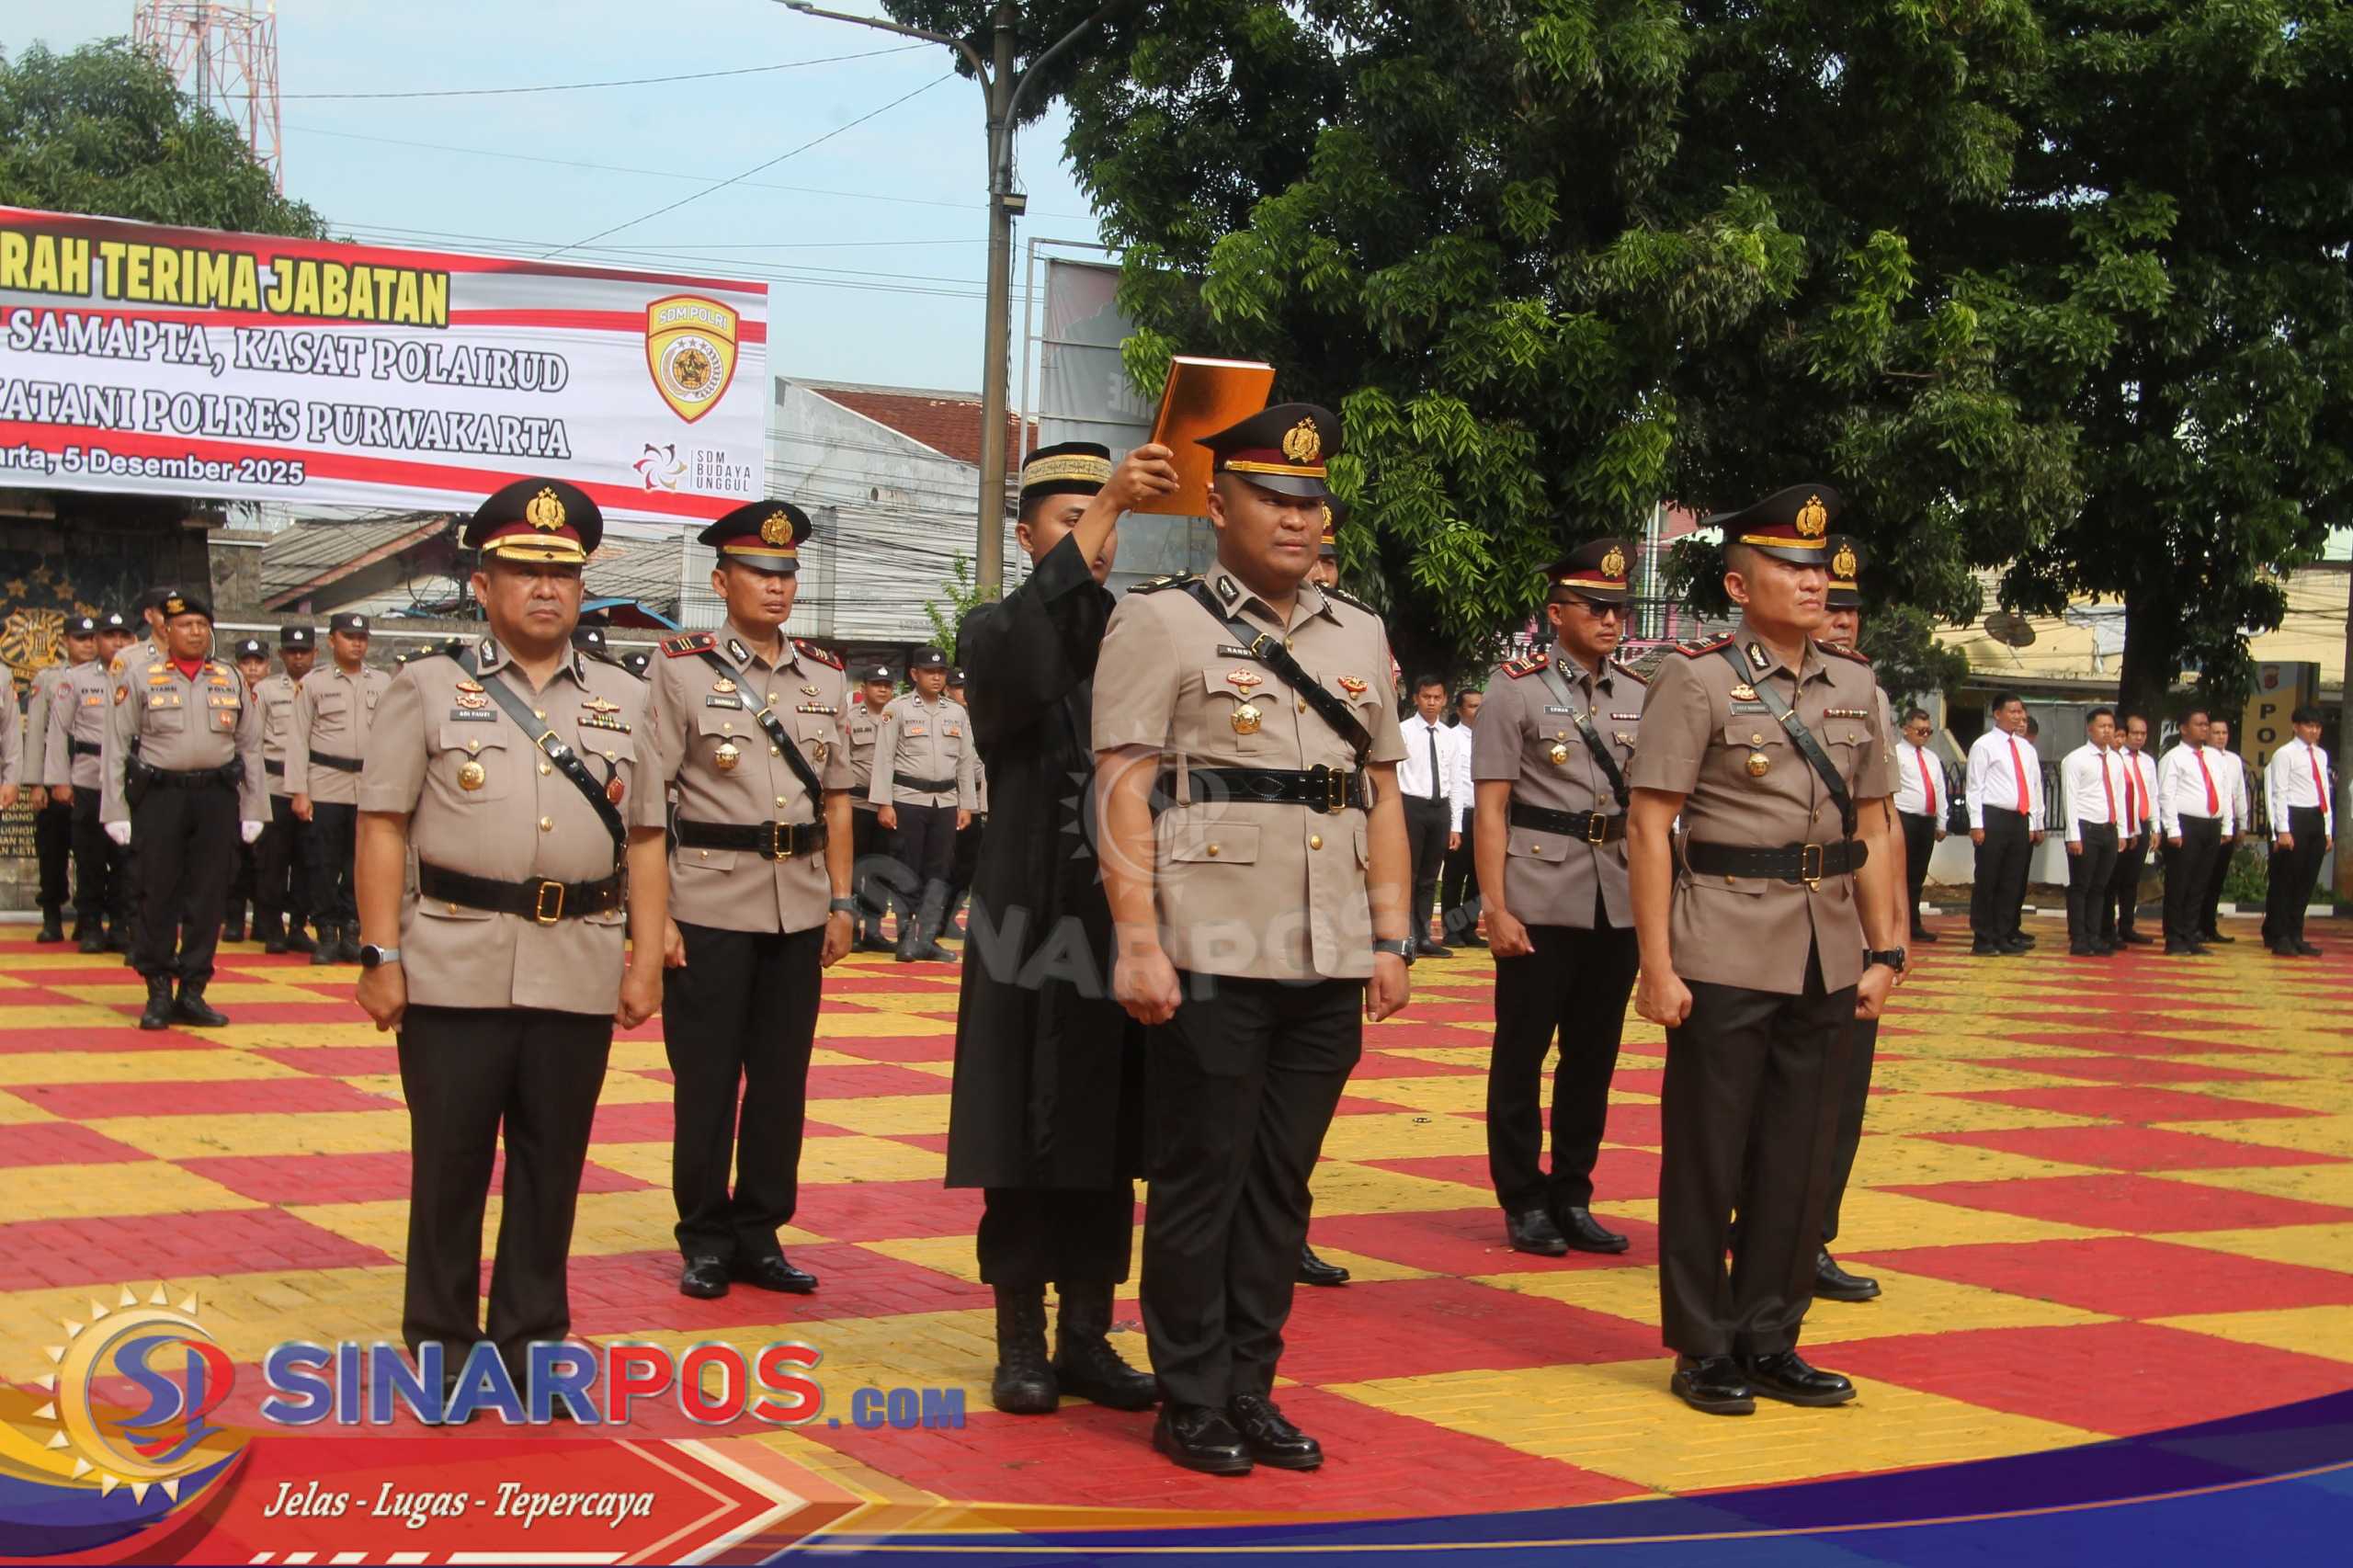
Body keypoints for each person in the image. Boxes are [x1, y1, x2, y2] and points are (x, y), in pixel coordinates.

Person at [1095, 401, 1413, 1475]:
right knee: (1202, 1176)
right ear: (1217, 501)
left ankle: (1250, 1384)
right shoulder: (1161, 619)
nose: (1295, 519)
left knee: (1282, 1183)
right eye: (1272, 497)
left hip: (1325, 952)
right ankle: (1189, 1393)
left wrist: (1392, 934)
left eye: (1310, 503)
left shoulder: (1359, 631)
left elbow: (1379, 795)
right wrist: (1137, 939)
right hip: (1210, 945)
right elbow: (1123, 789)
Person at [351, 475, 667, 1414]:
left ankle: (530, 1342)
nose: (543, 588)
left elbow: (646, 834)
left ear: (582, 587)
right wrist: (380, 952)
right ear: (481, 584)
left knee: (551, 1164)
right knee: (448, 1165)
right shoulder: (427, 686)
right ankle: (444, 1348)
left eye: (561, 573)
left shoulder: (625, 696)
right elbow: (381, 824)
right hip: (453, 957)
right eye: (521, 569)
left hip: (577, 956)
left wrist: (645, 956)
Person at [1626, 483, 1902, 1417]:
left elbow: (1872, 825)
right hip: (1723, 942)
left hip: (1826, 946)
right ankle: (1704, 1342)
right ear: (1740, 583)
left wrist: (1886, 949)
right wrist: (1656, 963)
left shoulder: (1857, 685)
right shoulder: (1695, 678)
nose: (1813, 581)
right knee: (1709, 1153)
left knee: (1799, 1154)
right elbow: (1650, 821)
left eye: (1820, 566)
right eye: (1790, 565)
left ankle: (1771, 1334)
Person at [949, 438, 1172, 1417]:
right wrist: (1105, 507)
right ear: (1028, 530)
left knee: (1109, 1129)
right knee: (1021, 1133)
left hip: (1123, 915)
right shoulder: (995, 627)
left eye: (1109, 517)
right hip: (1027, 916)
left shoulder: (1141, 635)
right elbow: (1019, 666)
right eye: (1074, 515)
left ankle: (1088, 1332)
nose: (1100, 534)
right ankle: (1020, 1339)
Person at [646, 500, 854, 1302]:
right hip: (706, 901)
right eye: (760, 573)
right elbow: (651, 803)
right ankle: (703, 1235)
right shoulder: (679, 667)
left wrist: (841, 901)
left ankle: (760, 1231)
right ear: (722, 580)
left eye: (787, 573)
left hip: (798, 905)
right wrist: (656, 916)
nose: (776, 587)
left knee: (780, 1079)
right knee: (705, 1080)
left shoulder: (826, 675)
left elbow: (836, 799)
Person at [1473, 539, 1645, 1258]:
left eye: (1619, 608)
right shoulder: (1513, 689)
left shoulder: (1640, 692)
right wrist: (1494, 905)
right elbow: (1489, 809)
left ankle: (1573, 1192)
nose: (1610, 620)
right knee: (1522, 1053)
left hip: (1620, 895)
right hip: (1540, 891)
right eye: (1595, 607)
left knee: (1593, 1056)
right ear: (1556, 613)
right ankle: (1523, 1199)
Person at [1812, 534, 1907, 1306]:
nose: (1842, 623)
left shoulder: (1868, 696)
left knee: (1841, 1096)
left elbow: (1882, 823)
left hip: (1846, 921)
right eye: (1830, 606)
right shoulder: (1720, 680)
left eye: (1852, 611)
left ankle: (1811, 1237)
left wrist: (1892, 937)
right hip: (1757, 917)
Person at [100, 589, 267, 1030]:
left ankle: (193, 989)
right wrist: (115, 809)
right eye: (185, 625)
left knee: (209, 895)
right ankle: (157, 988)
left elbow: (250, 748)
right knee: (157, 893)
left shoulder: (228, 678)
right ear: (166, 630)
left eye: (201, 625)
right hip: (161, 797)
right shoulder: (141, 676)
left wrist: (254, 807)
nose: (195, 632)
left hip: (215, 798)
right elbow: (116, 748)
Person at [289, 613, 392, 966]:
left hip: (368, 785)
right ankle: (326, 932)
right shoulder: (314, 684)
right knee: (322, 862)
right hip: (325, 782)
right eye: (349, 636)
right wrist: (299, 791)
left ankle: (352, 929)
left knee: (361, 863)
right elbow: (297, 739)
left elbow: (393, 739)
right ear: (332, 641)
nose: (357, 643)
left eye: (362, 637)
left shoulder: (383, 681)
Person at [870, 646, 977, 962]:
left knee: (940, 871)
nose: (937, 677)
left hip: (945, 802)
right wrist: (883, 803)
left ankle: (928, 938)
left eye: (942, 672)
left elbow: (965, 762)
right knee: (906, 869)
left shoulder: (956, 713)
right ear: (914, 674)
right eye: (930, 672)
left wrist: (967, 805)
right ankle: (906, 938)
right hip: (907, 800)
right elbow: (884, 758)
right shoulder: (897, 708)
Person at [51, 613, 133, 953]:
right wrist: (58, 779)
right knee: (90, 856)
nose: (116, 643)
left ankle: (120, 924)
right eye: (109, 636)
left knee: (127, 857)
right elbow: (59, 732)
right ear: (96, 641)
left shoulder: (144, 675)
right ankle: (90, 923)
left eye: (123, 636)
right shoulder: (76, 679)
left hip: (129, 781)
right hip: (88, 777)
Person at [24, 615, 97, 944]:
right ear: (66, 640)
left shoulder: (107, 676)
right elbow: (36, 730)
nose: (88, 644)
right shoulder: (48, 678)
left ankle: (87, 917)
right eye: (81, 638)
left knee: (91, 853)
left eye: (92, 638)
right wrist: (37, 782)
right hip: (55, 777)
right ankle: (52, 915)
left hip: (90, 778)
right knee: (52, 851)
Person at [253, 626, 323, 955]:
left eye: (304, 651)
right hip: (275, 786)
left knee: (310, 861)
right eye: (292, 651)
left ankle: (298, 925)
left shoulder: (324, 687)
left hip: (315, 787)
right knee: (273, 861)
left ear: (315, 653)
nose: (298, 657)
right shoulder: (266, 691)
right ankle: (272, 928)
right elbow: (252, 742)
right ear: (281, 655)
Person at [1964, 694, 2041, 956]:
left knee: (2012, 880)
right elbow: (1974, 786)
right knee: (1988, 879)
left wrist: (2035, 821)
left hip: (2019, 818)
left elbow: (2033, 787)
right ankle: (1983, 937)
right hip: (1993, 817)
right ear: (1997, 714)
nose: (2019, 716)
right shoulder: (1984, 745)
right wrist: (1977, 823)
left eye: (2021, 711)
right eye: (2013, 711)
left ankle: (2004, 933)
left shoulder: (2026, 748)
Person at [1398, 674, 1468, 957]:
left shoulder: (1450, 736)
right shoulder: (1403, 731)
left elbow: (1456, 782)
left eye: (1437, 697)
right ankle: (1405, 935)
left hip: (1439, 809)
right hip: (1411, 805)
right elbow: (1397, 774)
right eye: (1426, 697)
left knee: (1429, 877)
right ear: (1416, 698)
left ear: (1445, 700)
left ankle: (1424, 935)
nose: (1431, 702)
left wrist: (1456, 825)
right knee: (1408, 875)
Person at [2263, 705, 2335, 957]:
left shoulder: (2321, 755)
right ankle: (2279, 934)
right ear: (2296, 727)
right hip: (2294, 816)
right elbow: (2278, 792)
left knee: (2306, 880)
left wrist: (2327, 828)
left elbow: (2324, 791)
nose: (2314, 731)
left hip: (2315, 816)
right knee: (2287, 880)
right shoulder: (2285, 754)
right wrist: (2283, 829)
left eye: (2317, 726)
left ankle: (2296, 934)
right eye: (2309, 726)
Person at [2158, 707, 2228, 957]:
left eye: (2206, 724)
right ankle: (2174, 937)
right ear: (2184, 728)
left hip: (2211, 824)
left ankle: (2191, 934)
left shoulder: (2214, 756)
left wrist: (2225, 824)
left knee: (2200, 883)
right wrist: (2172, 828)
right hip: (2186, 824)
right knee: (2180, 883)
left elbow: (2222, 789)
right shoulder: (2174, 758)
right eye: (2199, 724)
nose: (2205, 728)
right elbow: (2166, 795)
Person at [2060, 709, 2128, 956]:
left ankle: (2094, 935)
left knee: (2100, 886)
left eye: (2110, 726)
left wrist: (2122, 830)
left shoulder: (2116, 759)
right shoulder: (2075, 759)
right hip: (2085, 828)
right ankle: (2078, 938)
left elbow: (2119, 796)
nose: (2107, 731)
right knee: (2081, 886)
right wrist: (2073, 835)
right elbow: (2069, 798)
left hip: (2109, 829)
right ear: (2090, 729)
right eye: (2102, 726)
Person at [844, 662, 898, 952]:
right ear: (863, 688)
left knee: (880, 870)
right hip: (857, 803)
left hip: (888, 806)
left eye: (888, 685)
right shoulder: (850, 718)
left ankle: (874, 930)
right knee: (853, 869)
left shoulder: (899, 717)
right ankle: (850, 927)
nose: (882, 689)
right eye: (877, 685)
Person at [1890, 709, 1946, 942]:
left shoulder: (1932, 758)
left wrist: (1942, 820)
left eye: (1929, 731)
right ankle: (1895, 925)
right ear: (1906, 729)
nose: (1924, 735)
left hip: (1926, 821)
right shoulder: (1896, 754)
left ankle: (1913, 924)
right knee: (1899, 874)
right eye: (1920, 730)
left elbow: (1940, 789)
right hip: (1904, 818)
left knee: (1917, 876)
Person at [2106, 714, 2159, 947]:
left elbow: (2153, 795)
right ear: (2125, 734)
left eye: (2143, 733)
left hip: (2142, 824)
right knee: (2112, 879)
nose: (2139, 738)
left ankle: (2127, 925)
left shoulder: (2148, 761)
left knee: (2131, 880)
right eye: (2134, 733)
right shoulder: (2116, 758)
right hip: (2120, 825)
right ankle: (2107, 928)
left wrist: (2156, 827)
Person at [2196, 718, 2251, 943]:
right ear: (2207, 734)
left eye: (2224, 732)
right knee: (2201, 877)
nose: (2220, 736)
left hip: (2229, 823)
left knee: (2217, 877)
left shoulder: (2234, 760)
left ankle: (2210, 925)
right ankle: (2194, 926)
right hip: (2207, 821)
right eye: (2216, 732)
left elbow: (2238, 793)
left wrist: (2243, 823)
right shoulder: (2202, 757)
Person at [941, 667, 986, 937]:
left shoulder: (983, 716)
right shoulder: (945, 717)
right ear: (948, 690)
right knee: (946, 863)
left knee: (969, 865)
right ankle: (934, 917)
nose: (965, 693)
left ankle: (950, 915)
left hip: (978, 799)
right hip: (950, 797)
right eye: (958, 687)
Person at [1438, 686, 1484, 948]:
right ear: (1459, 709)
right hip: (1460, 814)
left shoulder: (1492, 737)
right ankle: (1451, 929)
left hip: (1485, 815)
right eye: (1472, 706)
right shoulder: (1451, 737)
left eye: (1481, 706)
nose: (1478, 711)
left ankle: (1469, 927)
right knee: (1455, 875)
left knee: (1480, 876)